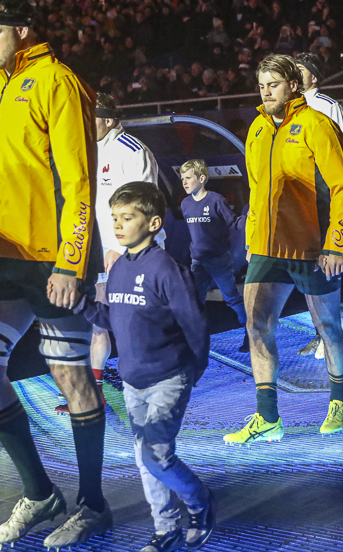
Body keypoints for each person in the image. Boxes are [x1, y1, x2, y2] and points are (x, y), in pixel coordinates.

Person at [0, 0, 111, 549]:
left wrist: (72, 262)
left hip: (53, 259)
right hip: (4, 255)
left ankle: (93, 505)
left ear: (22, 27)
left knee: (71, 379)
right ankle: (41, 494)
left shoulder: (57, 82)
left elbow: (78, 180)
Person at [223, 54, 343, 445]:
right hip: (265, 247)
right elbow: (255, 189)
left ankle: (339, 400)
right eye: (261, 85)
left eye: (273, 84)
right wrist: (251, 238)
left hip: (312, 247)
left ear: (293, 86)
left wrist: (335, 244)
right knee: (257, 325)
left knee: (328, 326)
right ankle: (268, 418)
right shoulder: (257, 130)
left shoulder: (317, 124)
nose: (266, 92)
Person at [76, 182, 215, 552]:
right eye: (115, 218)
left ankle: (200, 503)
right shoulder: (120, 266)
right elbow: (114, 318)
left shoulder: (167, 269)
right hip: (133, 381)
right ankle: (166, 528)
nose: (118, 225)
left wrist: (194, 369)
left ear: (153, 223)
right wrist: (81, 305)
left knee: (155, 454)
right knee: (146, 458)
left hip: (168, 378)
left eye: (127, 217)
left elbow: (196, 324)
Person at [53, 91, 162, 416]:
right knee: (98, 323)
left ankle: (156, 389)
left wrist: (120, 247)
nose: (85, 124)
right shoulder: (86, 152)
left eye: (92, 117)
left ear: (110, 119)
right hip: (101, 254)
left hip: (133, 255)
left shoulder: (131, 150)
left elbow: (145, 205)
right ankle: (95, 393)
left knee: (137, 323)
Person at [294, 52, 343, 360]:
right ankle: (319, 333)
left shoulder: (328, 106)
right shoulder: (290, 109)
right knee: (306, 268)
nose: (294, 74)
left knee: (325, 268)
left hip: (322, 196)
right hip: (300, 201)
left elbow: (341, 156)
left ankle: (331, 334)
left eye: (300, 70)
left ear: (314, 77)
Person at [179, 159, 248, 339]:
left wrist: (250, 219)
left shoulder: (216, 200)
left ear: (202, 178)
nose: (184, 182)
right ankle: (194, 338)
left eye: (188, 178)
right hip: (198, 261)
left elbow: (233, 223)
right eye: (182, 178)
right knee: (195, 300)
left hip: (219, 260)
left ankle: (251, 333)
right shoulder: (185, 204)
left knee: (231, 297)